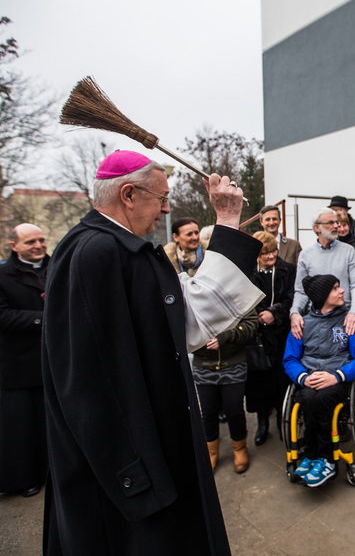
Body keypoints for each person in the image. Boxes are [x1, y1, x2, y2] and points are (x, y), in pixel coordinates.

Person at [41, 150, 264, 555]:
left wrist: (228, 224)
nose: (165, 209)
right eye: (161, 198)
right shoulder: (100, 254)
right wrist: (135, 476)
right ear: (128, 194)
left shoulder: (102, 247)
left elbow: (178, 320)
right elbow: (90, 383)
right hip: (124, 468)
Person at [283, 274, 355, 487]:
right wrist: (304, 377)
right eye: (335, 288)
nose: (341, 291)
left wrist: (336, 376)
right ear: (322, 296)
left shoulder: (349, 321)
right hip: (309, 378)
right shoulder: (303, 323)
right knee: (308, 397)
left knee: (320, 399)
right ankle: (313, 455)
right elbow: (290, 359)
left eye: (339, 287)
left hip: (338, 378)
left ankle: (326, 458)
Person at [0, 224, 49, 498]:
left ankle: (49, 472)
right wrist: (43, 319)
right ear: (14, 245)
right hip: (18, 364)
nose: (39, 245)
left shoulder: (56, 267)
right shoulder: (3, 275)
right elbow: (3, 316)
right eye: (31, 241)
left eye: (41, 240)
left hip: (53, 360)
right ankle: (23, 478)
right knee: (20, 427)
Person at [192, 309, 258, 473]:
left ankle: (239, 448)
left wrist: (226, 337)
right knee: (208, 411)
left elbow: (251, 323)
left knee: (234, 409)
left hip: (233, 362)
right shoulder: (188, 289)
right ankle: (211, 451)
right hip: (203, 364)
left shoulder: (233, 286)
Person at [248, 231, 296, 446]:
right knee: (259, 382)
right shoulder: (247, 272)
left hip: (281, 333)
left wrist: (274, 314)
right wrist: (260, 315)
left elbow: (292, 298)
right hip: (258, 336)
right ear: (257, 255)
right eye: (265, 253)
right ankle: (262, 423)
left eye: (273, 251)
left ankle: (282, 419)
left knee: (281, 378)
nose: (271, 257)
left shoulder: (288, 270)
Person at [290, 208, 355, 341]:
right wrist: (295, 313)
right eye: (330, 223)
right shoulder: (306, 255)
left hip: (345, 318)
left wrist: (354, 313)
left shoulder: (349, 251)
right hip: (315, 319)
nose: (336, 226)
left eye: (337, 223)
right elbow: (301, 291)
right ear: (317, 228)